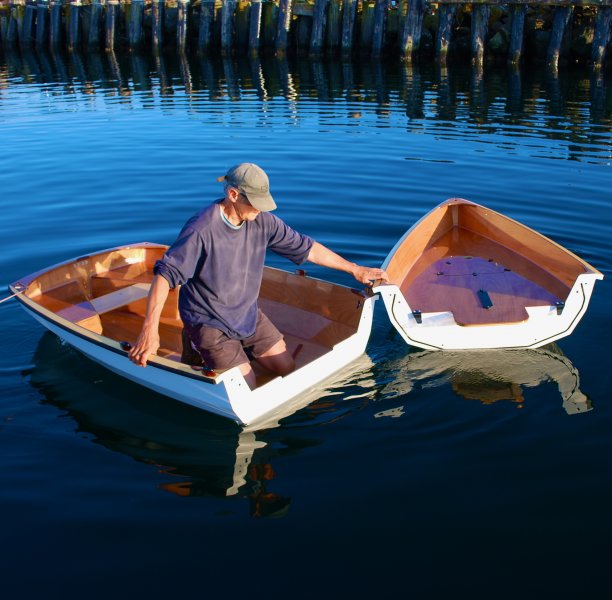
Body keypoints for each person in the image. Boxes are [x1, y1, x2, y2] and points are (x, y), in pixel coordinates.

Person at [128, 163, 388, 389]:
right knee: (247, 387)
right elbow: (165, 276)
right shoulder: (201, 229)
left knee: (287, 367)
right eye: (254, 204)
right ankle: (200, 351)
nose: (260, 211)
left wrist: (355, 268)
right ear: (233, 194)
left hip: (246, 314)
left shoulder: (262, 221)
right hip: (209, 324)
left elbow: (307, 248)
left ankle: (237, 356)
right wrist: (149, 331)